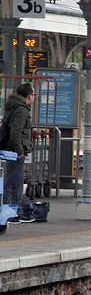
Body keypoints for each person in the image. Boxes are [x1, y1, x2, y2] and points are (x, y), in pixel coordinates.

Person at [3, 83, 34, 223]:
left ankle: (12, 211)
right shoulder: (22, 110)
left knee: (13, 180)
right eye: (33, 94)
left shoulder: (14, 106)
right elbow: (16, 131)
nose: (34, 97)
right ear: (29, 96)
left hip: (13, 149)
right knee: (14, 181)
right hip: (15, 151)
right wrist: (20, 150)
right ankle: (11, 213)